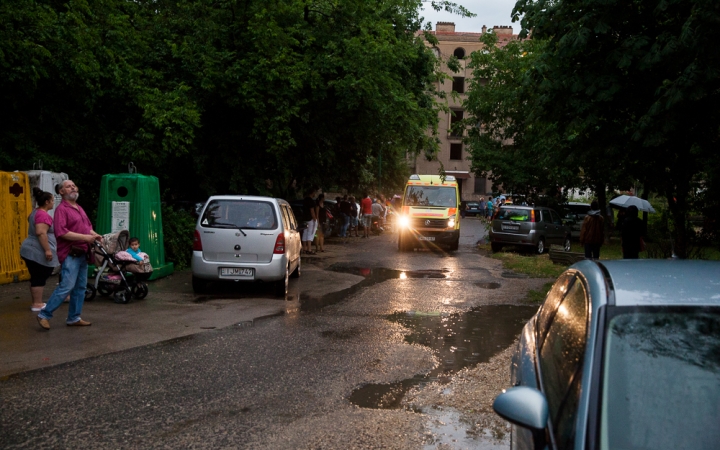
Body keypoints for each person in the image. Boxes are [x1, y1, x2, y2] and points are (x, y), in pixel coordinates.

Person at [36, 180, 102, 330]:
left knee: (80, 287)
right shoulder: (61, 210)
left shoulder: (79, 208)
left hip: (83, 252)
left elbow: (87, 228)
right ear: (61, 192)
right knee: (67, 286)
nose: (72, 187)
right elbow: (62, 232)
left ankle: (74, 317)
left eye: (73, 185)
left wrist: (96, 236)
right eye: (68, 186)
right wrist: (86, 238)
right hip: (71, 254)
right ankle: (44, 315)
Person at [20, 188, 59, 312]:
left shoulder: (34, 212)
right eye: (52, 200)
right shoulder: (43, 215)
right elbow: (40, 233)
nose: (53, 203)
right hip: (36, 250)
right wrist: (47, 250)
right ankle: (37, 304)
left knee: (37, 275)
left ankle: (37, 302)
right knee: (40, 275)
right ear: (47, 202)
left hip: (30, 248)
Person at [301, 188, 318, 255]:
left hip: (304, 219)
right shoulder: (311, 201)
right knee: (310, 233)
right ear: (312, 193)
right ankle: (309, 249)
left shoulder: (304, 200)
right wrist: (314, 218)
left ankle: (304, 248)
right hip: (310, 219)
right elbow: (312, 210)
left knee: (305, 233)